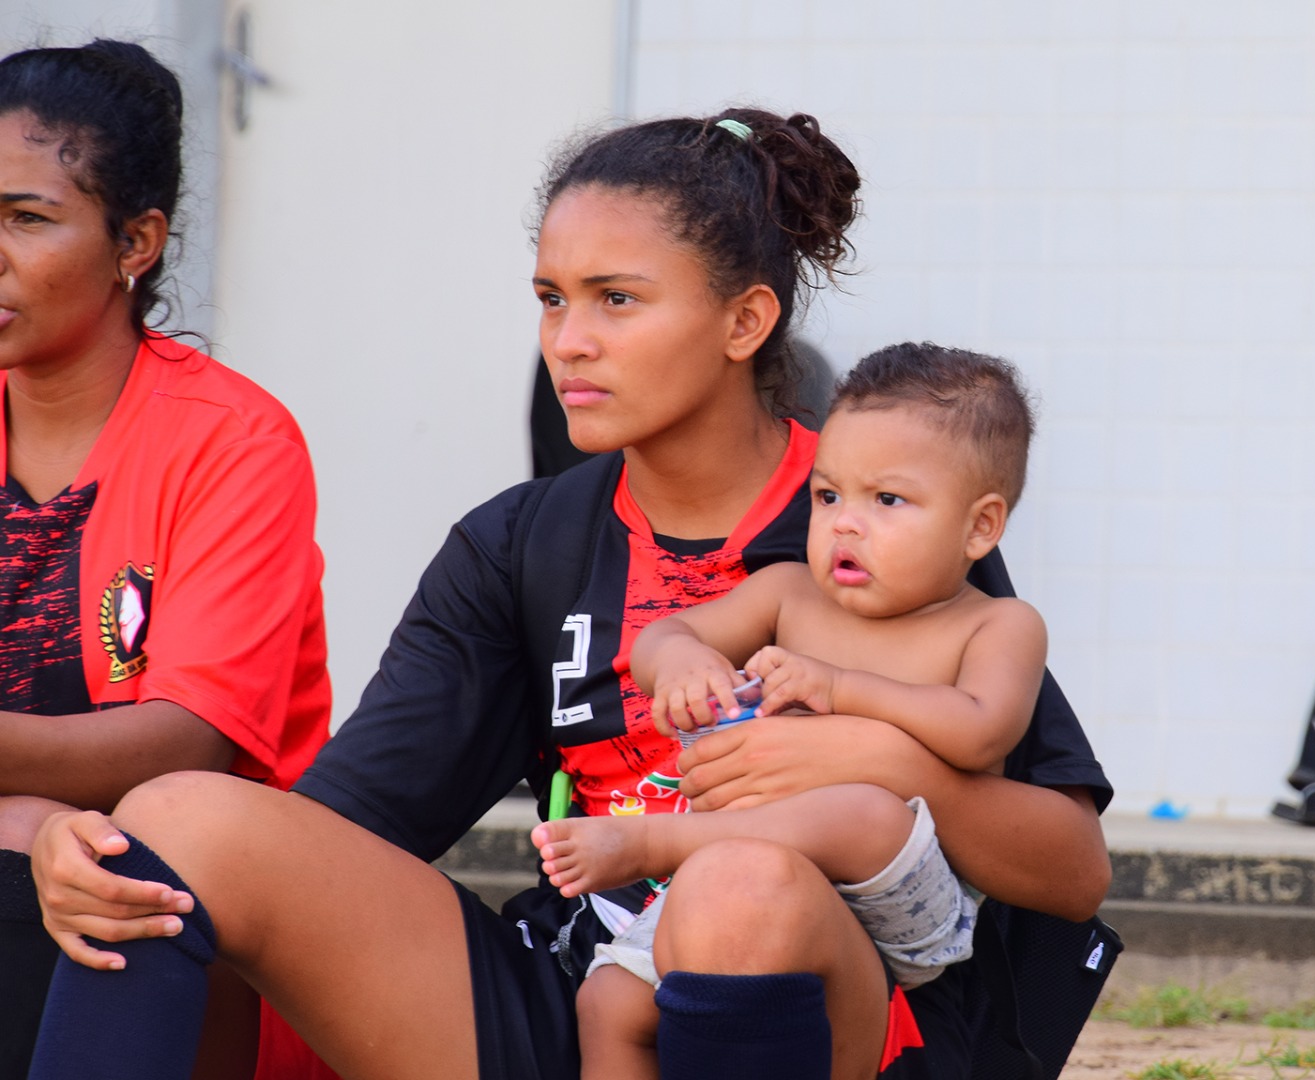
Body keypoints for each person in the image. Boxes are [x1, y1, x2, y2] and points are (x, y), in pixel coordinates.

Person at [28, 107, 1111, 1080]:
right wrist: (111, 848)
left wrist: (879, 759)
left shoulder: (868, 518)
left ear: (744, 323)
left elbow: (1070, 870)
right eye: (551, 299)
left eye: (617, 301)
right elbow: (340, 823)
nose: (568, 342)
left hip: (838, 1009)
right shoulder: (520, 542)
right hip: (592, 989)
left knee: (741, 891)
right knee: (170, 829)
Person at [533, 342, 1047, 1078]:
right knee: (609, 1002)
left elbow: (978, 730)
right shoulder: (786, 591)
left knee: (863, 810)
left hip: (898, 889)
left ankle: (652, 844)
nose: (844, 523)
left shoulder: (995, 625)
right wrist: (682, 662)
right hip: (745, 876)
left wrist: (840, 690)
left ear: (979, 527)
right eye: (827, 495)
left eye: (887, 500)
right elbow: (663, 636)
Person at [0, 40, 333, 1080]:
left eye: (26, 218)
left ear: (135, 242)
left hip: (172, 898)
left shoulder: (233, 441)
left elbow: (190, 742)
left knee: (86, 866)